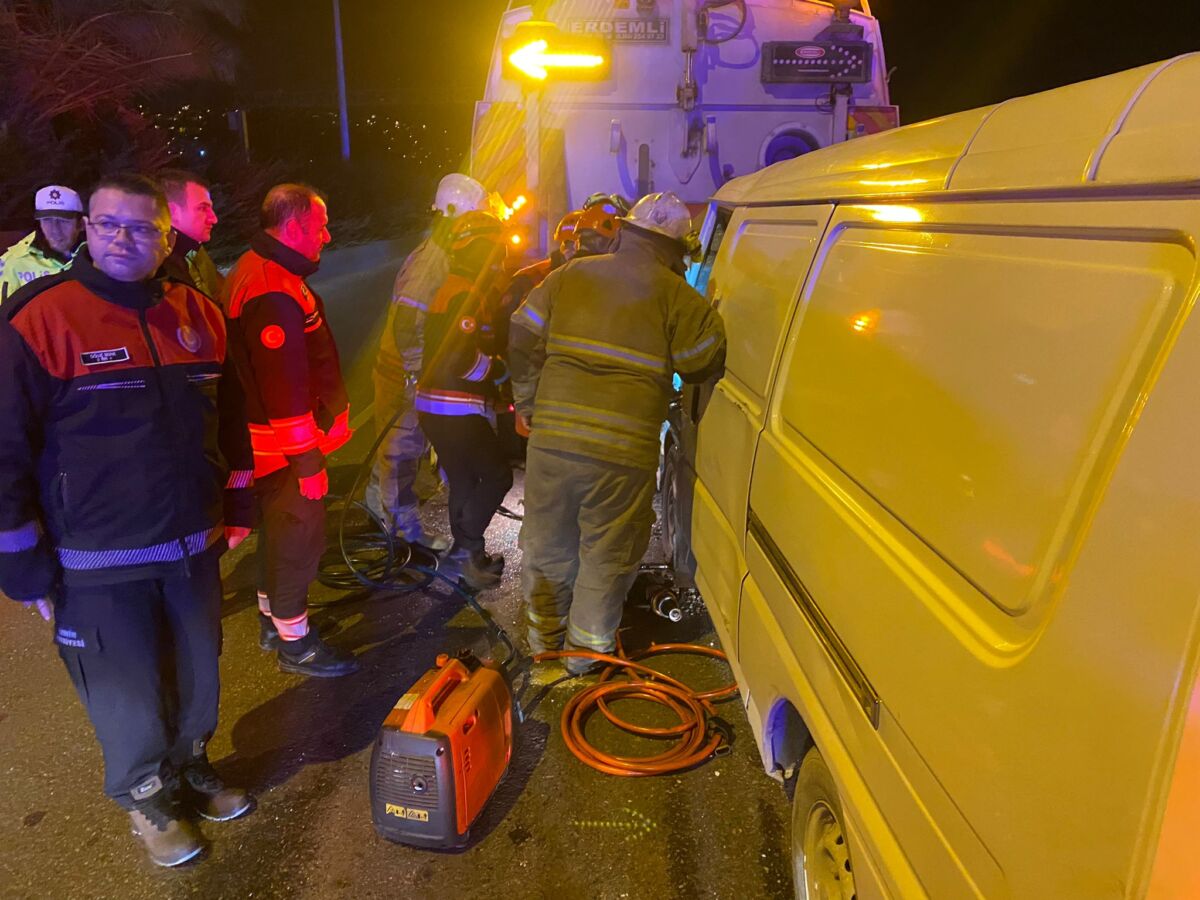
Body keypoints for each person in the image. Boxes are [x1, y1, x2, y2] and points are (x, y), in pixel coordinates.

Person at [0, 174, 256, 867]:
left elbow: (231, 418)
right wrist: (21, 562)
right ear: (86, 227)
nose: (123, 238)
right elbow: (4, 449)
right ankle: (145, 792)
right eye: (109, 223)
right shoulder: (39, 317)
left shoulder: (198, 312)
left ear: (166, 238)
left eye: (142, 228)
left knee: (200, 670)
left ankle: (191, 764)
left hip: (191, 544)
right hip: (95, 558)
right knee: (126, 688)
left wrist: (237, 501)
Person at [508, 191, 726, 673]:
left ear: (624, 231)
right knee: (606, 549)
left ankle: (545, 641)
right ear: (673, 252)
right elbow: (700, 363)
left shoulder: (569, 276)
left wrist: (527, 401)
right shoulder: (678, 297)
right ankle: (585, 656)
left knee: (547, 540)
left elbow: (522, 333)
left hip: (553, 443)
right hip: (622, 454)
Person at [222, 183, 359, 677]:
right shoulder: (271, 288)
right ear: (294, 225)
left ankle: (271, 616)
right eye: (320, 225)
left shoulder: (266, 273)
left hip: (269, 447)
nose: (326, 234)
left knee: (280, 538)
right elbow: (285, 385)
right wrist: (308, 462)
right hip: (282, 451)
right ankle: (295, 642)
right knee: (299, 539)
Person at [366, 174, 490, 550]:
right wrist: (417, 371)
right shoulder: (432, 261)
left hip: (408, 370)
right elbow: (407, 322)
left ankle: (383, 514)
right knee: (400, 454)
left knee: (405, 451)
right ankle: (402, 534)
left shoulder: (441, 252)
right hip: (402, 372)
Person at [414, 208, 513, 590]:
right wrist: (497, 370)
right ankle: (466, 551)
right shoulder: (465, 293)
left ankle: (469, 557)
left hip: (434, 406)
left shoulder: (453, 285)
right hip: (454, 407)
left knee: (464, 480)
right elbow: (460, 359)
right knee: (496, 475)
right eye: (498, 248)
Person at [0, 184, 84, 304]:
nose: (55, 230)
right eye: (47, 220)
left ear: (81, 224)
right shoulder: (12, 262)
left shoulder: (99, 258)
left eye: (63, 221)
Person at [159, 170, 224, 299]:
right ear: (172, 211)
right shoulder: (161, 270)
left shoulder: (193, 251)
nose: (214, 218)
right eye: (202, 208)